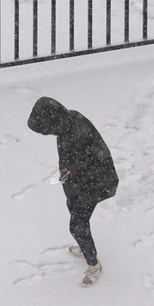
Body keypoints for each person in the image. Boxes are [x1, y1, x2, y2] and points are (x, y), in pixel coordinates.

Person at [27, 96, 119, 287]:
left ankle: (94, 265)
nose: (47, 134)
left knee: (77, 225)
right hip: (77, 183)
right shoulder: (67, 123)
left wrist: (73, 172)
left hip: (94, 185)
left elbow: (94, 160)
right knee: (74, 212)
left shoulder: (76, 132)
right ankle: (85, 248)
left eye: (46, 130)